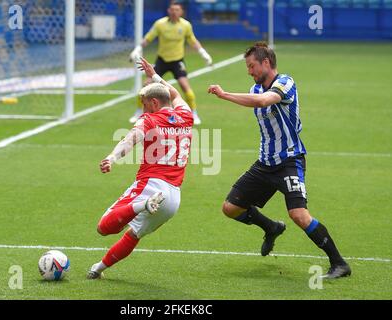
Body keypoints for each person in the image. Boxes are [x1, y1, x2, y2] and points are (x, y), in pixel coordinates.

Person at [207, 42, 351, 279]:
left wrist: (224, 95)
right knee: (230, 208)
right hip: (265, 163)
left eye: (252, 66)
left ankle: (339, 263)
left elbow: (265, 101)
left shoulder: (285, 82)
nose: (249, 71)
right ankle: (271, 227)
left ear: (266, 63)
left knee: (299, 215)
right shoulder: (255, 89)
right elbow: (255, 99)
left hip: (289, 160)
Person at [87, 57, 194, 279]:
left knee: (103, 228)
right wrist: (155, 76)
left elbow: (129, 139)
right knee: (134, 234)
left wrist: (112, 157)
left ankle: (141, 205)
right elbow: (175, 95)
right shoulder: (186, 116)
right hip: (173, 198)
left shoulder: (149, 120)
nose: (142, 107)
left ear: (154, 103)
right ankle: (98, 269)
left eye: (144, 102)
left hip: (151, 186)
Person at [128, 1, 212, 125]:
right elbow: (148, 38)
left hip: (177, 61)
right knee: (146, 86)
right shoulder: (160, 24)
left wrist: (203, 53)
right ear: (168, 11)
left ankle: (194, 113)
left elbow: (192, 40)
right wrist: (137, 48)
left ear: (181, 12)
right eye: (172, 9)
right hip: (162, 60)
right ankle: (138, 112)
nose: (174, 12)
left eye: (177, 10)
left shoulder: (185, 25)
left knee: (185, 86)